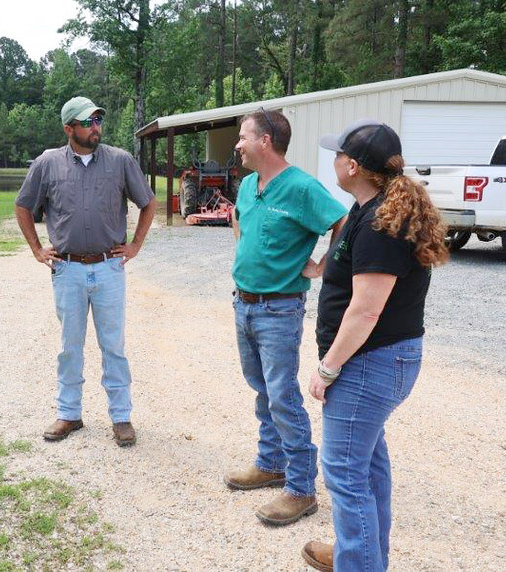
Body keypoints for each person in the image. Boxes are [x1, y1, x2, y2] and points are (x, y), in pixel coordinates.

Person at [301, 119, 448, 571]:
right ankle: (362, 554)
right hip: (381, 362)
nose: (334, 161)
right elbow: (344, 274)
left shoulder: (381, 224)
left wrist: (327, 368)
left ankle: (359, 562)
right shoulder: (374, 209)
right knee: (366, 464)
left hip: (368, 365)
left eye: (338, 155)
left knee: (344, 474)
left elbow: (366, 311)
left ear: (353, 165)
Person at [224, 109, 348, 526]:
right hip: (244, 303)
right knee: (261, 388)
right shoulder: (246, 184)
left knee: (282, 395)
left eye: (244, 137)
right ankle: (270, 461)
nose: (238, 144)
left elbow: (343, 221)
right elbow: (240, 222)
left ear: (266, 141)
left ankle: (300, 488)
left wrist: (325, 265)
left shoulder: (301, 187)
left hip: (279, 307)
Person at [15, 96, 156, 447]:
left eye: (98, 121)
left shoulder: (120, 160)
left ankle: (121, 417)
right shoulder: (47, 163)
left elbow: (148, 203)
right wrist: (36, 248)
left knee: (114, 346)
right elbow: (22, 206)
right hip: (67, 268)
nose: (96, 127)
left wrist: (135, 245)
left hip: (109, 267)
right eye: (87, 122)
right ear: (68, 128)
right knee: (69, 346)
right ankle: (69, 414)